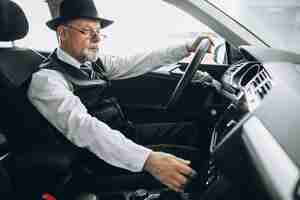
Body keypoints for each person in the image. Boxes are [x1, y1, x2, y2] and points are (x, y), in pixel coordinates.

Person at [27, 0, 214, 195]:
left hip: (121, 133)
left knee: (194, 131)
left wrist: (186, 48)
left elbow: (137, 60)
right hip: (93, 161)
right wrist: (148, 160)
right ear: (62, 33)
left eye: (98, 31)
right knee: (194, 163)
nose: (96, 38)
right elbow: (85, 129)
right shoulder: (47, 81)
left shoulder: (94, 64)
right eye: (87, 31)